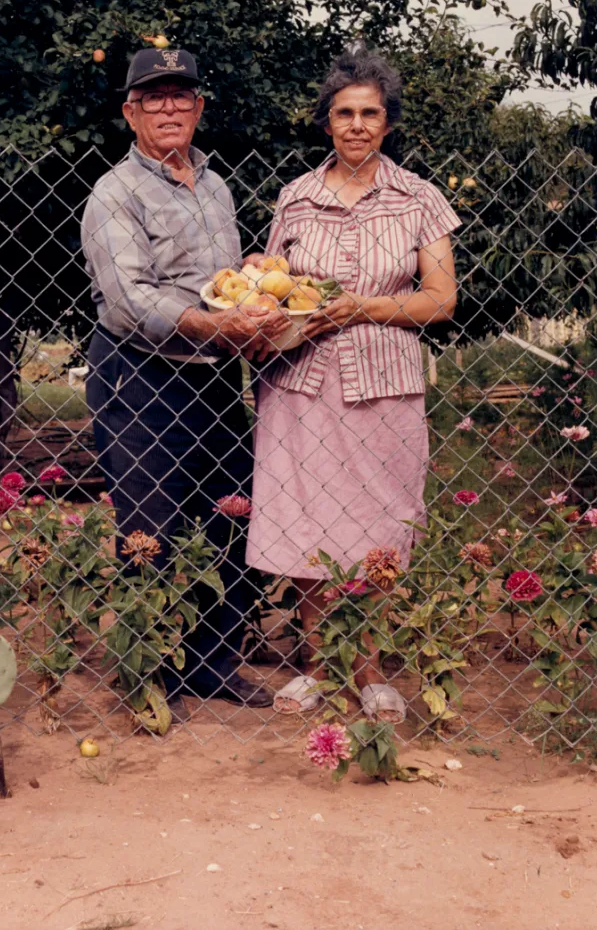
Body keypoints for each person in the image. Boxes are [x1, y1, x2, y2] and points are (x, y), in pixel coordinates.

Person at [244, 43, 460, 719]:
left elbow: (440, 300)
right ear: (327, 122)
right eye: (345, 113)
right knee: (309, 523)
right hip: (301, 384)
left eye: (370, 113)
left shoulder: (419, 198)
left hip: (384, 384)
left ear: (387, 122)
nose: (358, 125)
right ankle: (316, 667)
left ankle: (368, 671)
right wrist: (260, 285)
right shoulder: (297, 198)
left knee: (376, 525)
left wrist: (362, 307)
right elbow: (274, 290)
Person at [81, 46, 288, 721]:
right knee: (150, 532)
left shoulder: (217, 188)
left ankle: (211, 662)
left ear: (199, 108)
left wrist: (252, 282)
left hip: (213, 378)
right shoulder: (115, 193)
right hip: (140, 377)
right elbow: (129, 304)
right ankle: (148, 675)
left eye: (182, 96)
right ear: (130, 113)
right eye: (154, 98)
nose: (170, 107)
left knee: (237, 517)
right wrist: (216, 327)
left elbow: (219, 287)